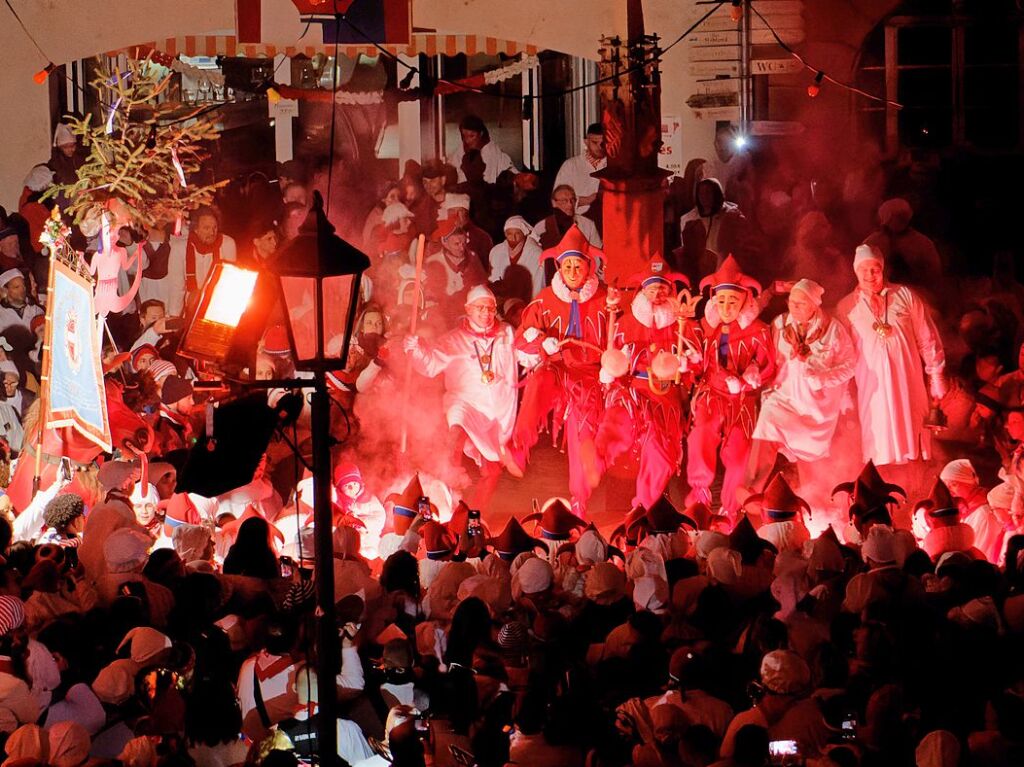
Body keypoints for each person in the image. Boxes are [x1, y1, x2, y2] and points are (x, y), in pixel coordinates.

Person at [511, 226, 610, 516]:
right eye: (567, 265)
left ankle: (580, 498)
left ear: (588, 267)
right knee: (539, 380)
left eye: (577, 264)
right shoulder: (544, 300)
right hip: (556, 369)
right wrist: (542, 340)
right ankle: (520, 446)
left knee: (582, 432)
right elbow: (521, 339)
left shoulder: (606, 300)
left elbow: (620, 341)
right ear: (560, 267)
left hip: (589, 377)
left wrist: (611, 366)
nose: (572, 270)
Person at [404, 286, 520, 510]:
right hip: (464, 403)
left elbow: (524, 354)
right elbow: (430, 364)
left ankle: (474, 513)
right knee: (454, 438)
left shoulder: (506, 333)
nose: (486, 313)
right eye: (480, 308)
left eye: (490, 308)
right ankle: (445, 497)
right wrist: (415, 349)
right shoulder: (453, 339)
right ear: (468, 309)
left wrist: (539, 347)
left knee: (492, 470)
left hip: (497, 412)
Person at [599, 256, 702, 509]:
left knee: (662, 456)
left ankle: (645, 506)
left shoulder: (683, 326)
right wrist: (611, 367)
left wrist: (686, 362)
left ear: (670, 292)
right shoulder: (626, 322)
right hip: (634, 392)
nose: (657, 294)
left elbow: (698, 360)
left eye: (662, 289)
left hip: (666, 397)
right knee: (614, 432)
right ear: (643, 290)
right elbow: (614, 353)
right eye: (652, 288)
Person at [743, 279, 855, 499]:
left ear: (814, 305)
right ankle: (752, 489)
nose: (794, 307)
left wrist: (823, 378)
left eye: (801, 303)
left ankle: (815, 501)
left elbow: (849, 365)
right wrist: (754, 367)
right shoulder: (779, 324)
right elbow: (763, 355)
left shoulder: (833, 330)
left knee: (812, 461)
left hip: (816, 407)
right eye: (791, 301)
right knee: (767, 424)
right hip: (784, 397)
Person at [836, 244, 946, 467]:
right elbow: (842, 355)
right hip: (871, 387)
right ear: (856, 271)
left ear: (882, 269)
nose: (870, 275)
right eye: (864, 270)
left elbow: (927, 338)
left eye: (875, 269)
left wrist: (936, 375)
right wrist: (845, 393)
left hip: (908, 382)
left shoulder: (904, 295)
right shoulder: (846, 307)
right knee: (879, 439)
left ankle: (916, 485)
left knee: (912, 434)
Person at [687, 256, 775, 517]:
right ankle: (699, 499)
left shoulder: (758, 330)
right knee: (701, 436)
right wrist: (689, 362)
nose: (726, 307)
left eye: (732, 301)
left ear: (744, 300)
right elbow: (697, 364)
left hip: (742, 402)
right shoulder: (706, 327)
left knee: (741, 454)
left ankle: (731, 509)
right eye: (721, 300)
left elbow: (767, 363)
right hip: (712, 395)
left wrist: (752, 372)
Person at [166, 206, 237, 316]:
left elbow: (230, 282)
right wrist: (174, 317)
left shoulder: (227, 244)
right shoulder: (180, 248)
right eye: (206, 228)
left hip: (217, 307)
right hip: (190, 307)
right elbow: (177, 287)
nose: (212, 233)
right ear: (196, 229)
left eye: (215, 227)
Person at [554, 123, 607, 215]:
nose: (599, 147)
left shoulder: (614, 167)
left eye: (603, 143)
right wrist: (589, 200)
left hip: (608, 221)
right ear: (586, 141)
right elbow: (558, 201)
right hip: (578, 222)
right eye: (595, 142)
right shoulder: (570, 166)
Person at [488, 216, 544, 299]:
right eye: (509, 234)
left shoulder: (535, 253)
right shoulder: (497, 251)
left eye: (517, 233)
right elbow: (492, 278)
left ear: (524, 233)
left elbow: (537, 285)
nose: (513, 238)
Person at [450, 114, 517, 184]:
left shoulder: (494, 153)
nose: (467, 141)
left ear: (481, 134)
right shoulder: (460, 151)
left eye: (472, 136)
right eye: (464, 136)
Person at [0, 270, 43, 337]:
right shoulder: (1, 314)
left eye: (23, 286)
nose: (22, 290)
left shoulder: (36, 310)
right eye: (16, 287)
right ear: (6, 290)